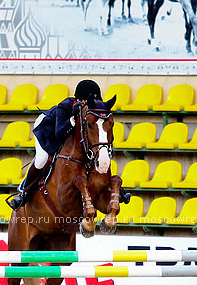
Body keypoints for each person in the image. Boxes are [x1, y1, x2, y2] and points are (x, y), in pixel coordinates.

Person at [7, 80, 131, 211]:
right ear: (79, 99)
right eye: (86, 102)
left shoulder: (93, 111)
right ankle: (24, 191)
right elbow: (59, 134)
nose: (88, 106)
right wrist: (72, 119)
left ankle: (118, 191)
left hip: (69, 134)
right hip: (48, 130)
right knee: (42, 158)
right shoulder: (65, 106)